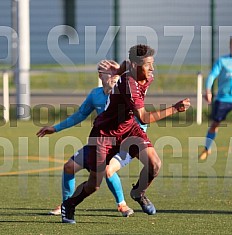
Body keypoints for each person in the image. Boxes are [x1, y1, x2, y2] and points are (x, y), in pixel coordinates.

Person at [60, 44, 191, 224]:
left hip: (128, 129)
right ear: (137, 67)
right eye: (148, 65)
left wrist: (118, 69)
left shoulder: (140, 72)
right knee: (94, 185)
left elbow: (126, 63)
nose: (152, 68)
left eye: (153, 63)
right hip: (104, 135)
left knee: (155, 164)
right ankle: (69, 204)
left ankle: (138, 193)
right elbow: (144, 118)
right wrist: (175, 108)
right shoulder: (129, 84)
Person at [36, 60, 146, 217]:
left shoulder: (125, 94)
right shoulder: (95, 95)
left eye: (117, 72)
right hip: (100, 142)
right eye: (111, 73)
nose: (115, 76)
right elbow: (80, 115)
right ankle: (66, 205)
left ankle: (122, 204)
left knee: (108, 170)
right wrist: (55, 128)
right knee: (69, 167)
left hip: (121, 143)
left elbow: (141, 118)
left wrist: (139, 138)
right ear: (101, 76)